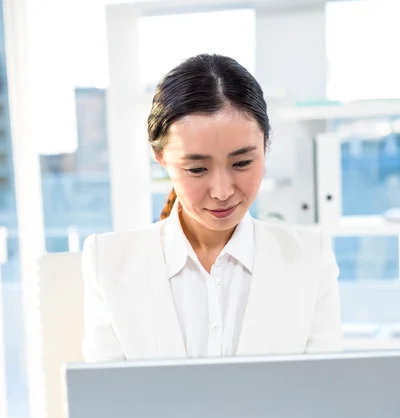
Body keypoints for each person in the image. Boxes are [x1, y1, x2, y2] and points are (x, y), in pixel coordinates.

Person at [82, 54, 343, 363]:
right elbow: (107, 402)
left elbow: (323, 396)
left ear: (266, 147)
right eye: (197, 169)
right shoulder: (109, 262)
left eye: (243, 163)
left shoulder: (310, 259)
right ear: (160, 157)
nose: (222, 192)